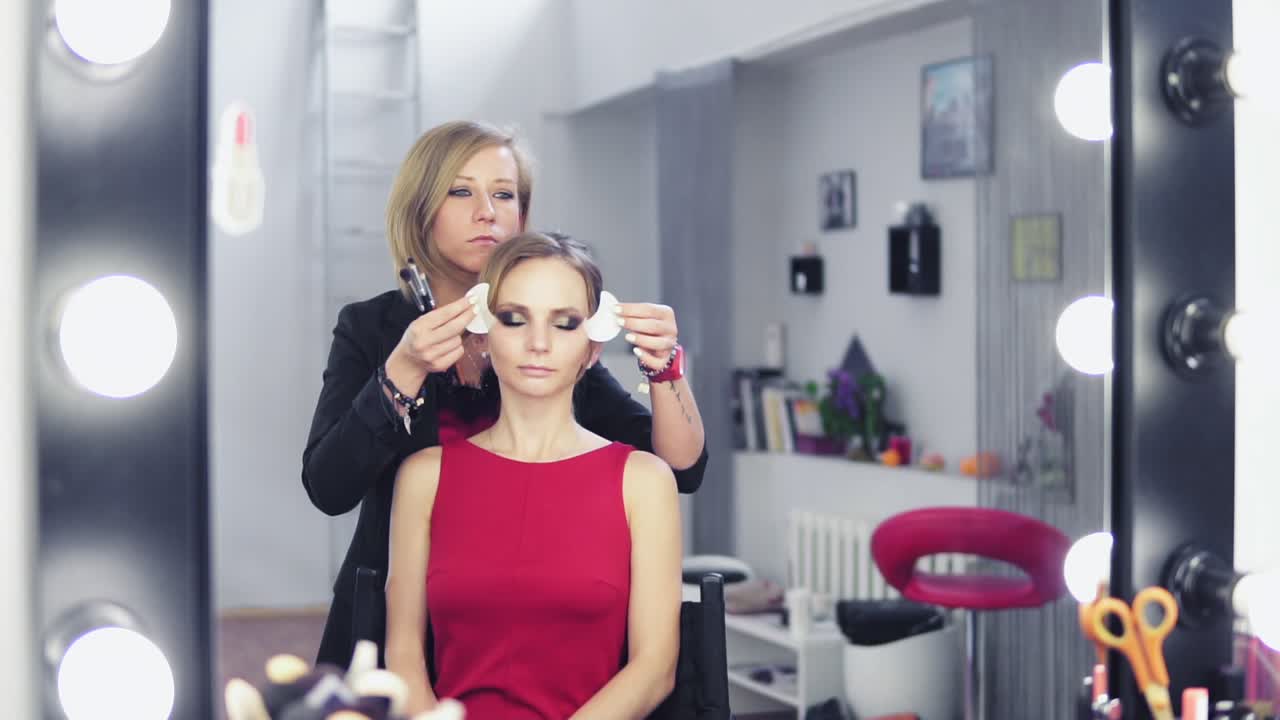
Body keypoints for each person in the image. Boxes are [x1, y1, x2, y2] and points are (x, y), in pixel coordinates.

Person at [301, 120, 707, 668]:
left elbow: (681, 468)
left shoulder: (541, 340)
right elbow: (329, 488)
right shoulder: (372, 328)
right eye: (461, 191)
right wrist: (403, 370)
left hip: (517, 626)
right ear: (421, 208)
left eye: (504, 194)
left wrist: (666, 369)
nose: (486, 211)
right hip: (395, 623)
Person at [385, 232, 682, 718]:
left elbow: (654, 670)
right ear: (482, 335)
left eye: (565, 324)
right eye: (514, 319)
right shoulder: (424, 477)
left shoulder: (643, 482)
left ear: (592, 348)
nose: (538, 343)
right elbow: (403, 656)